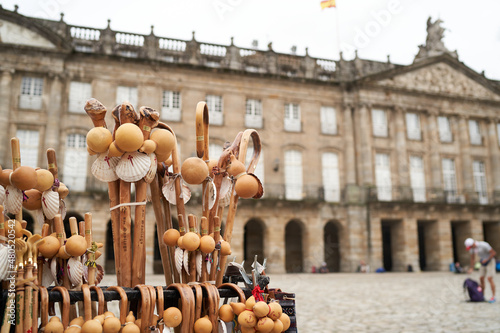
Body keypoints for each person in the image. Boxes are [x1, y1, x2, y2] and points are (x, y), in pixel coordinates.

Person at [465, 238, 497, 303]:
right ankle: (482, 296)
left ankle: (493, 296)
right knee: (481, 278)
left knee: (489, 278)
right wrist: (471, 268)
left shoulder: (484, 245)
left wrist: (487, 259)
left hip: (490, 261)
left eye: (470, 246)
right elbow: (472, 258)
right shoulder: (472, 249)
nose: (470, 248)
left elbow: (493, 253)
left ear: (473, 244)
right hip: (483, 262)